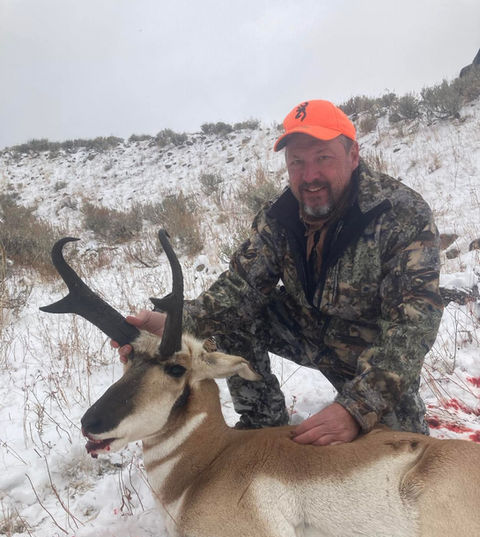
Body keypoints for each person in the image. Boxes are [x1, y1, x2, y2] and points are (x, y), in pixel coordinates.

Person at [114, 100, 443, 446]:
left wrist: (357, 408)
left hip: (371, 351)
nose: (310, 176)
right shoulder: (279, 216)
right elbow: (241, 288)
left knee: (406, 449)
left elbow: (414, 324)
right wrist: (178, 323)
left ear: (353, 156)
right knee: (233, 315)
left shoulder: (401, 214)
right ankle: (261, 421)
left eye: (323, 158)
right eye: (297, 162)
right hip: (307, 329)